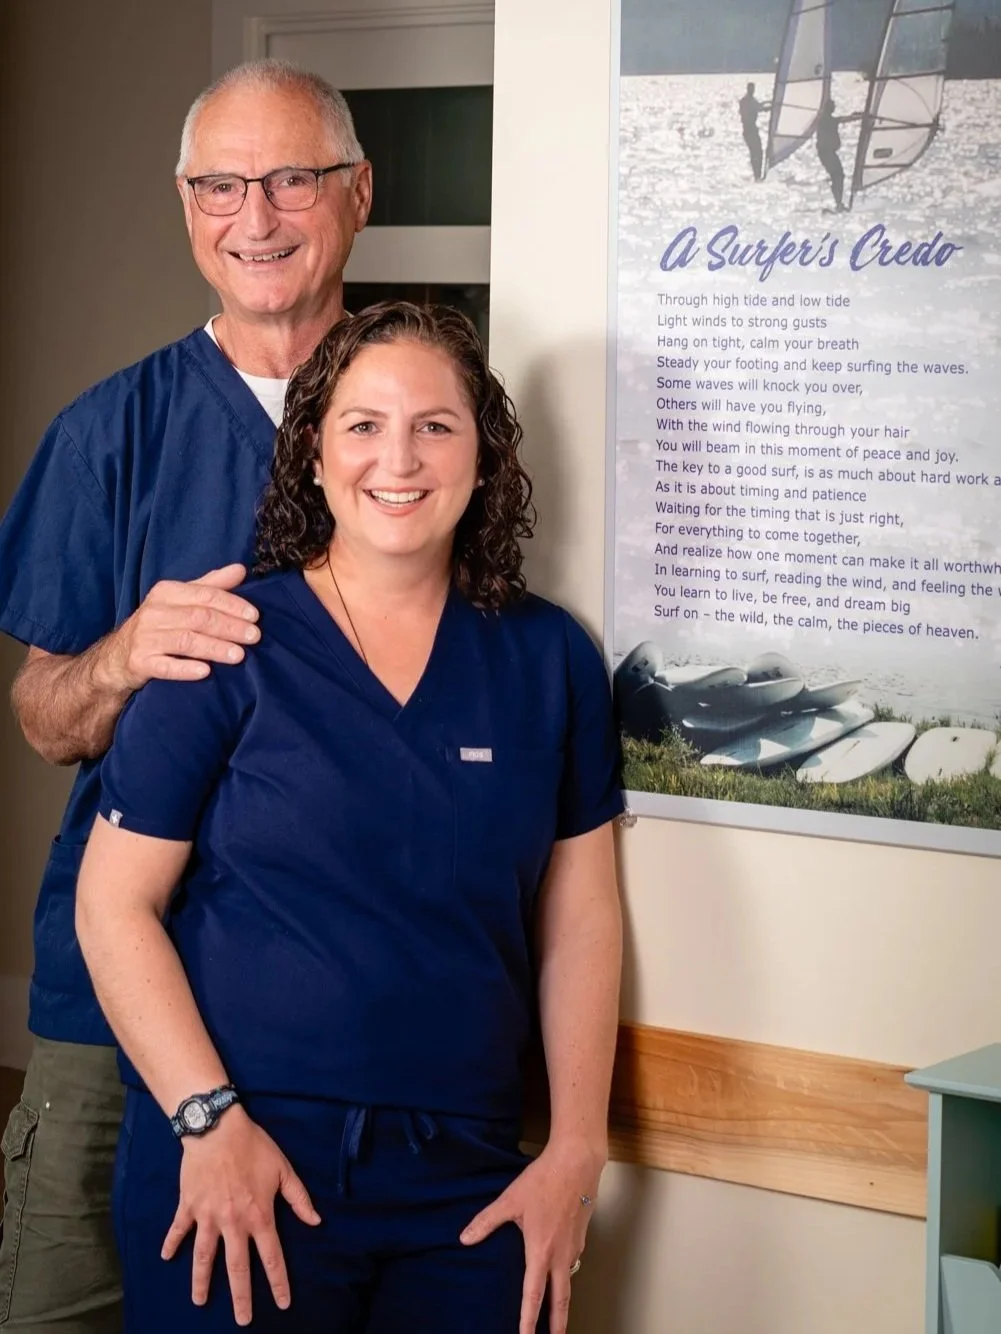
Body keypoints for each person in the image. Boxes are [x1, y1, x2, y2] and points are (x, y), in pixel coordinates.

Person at [75, 301, 625, 1334]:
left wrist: (575, 1151)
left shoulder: (549, 659)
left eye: (435, 425)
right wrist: (207, 1119)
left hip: (470, 1177)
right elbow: (111, 905)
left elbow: (582, 918)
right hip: (239, 1153)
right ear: (314, 456)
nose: (398, 459)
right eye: (363, 425)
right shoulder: (227, 642)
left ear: (482, 456)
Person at [0, 59, 371, 1331]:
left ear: (358, 192)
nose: (254, 216)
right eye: (220, 185)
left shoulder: (416, 428)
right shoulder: (110, 433)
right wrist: (123, 653)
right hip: (110, 993)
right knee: (61, 1306)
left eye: (291, 179)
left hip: (337, 994)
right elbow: (44, 717)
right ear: (184, 205)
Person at [816, 98, 861, 211]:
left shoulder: (827, 119)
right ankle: (838, 203)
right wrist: (855, 117)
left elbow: (842, 119)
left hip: (828, 153)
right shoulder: (825, 120)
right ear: (828, 108)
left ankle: (838, 203)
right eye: (832, 106)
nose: (834, 108)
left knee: (838, 176)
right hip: (826, 153)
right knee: (838, 176)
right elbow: (841, 120)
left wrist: (855, 116)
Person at [738, 82, 770, 181]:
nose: (752, 91)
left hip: (750, 130)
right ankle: (757, 175)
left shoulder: (749, 100)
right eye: (751, 89)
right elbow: (759, 108)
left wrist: (769, 104)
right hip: (749, 130)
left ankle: (757, 175)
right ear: (748, 89)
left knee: (757, 152)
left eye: (753, 89)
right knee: (756, 152)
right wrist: (768, 107)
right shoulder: (746, 101)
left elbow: (759, 106)